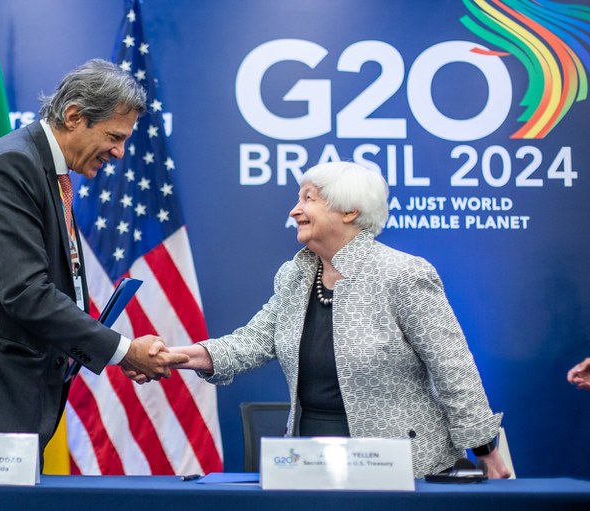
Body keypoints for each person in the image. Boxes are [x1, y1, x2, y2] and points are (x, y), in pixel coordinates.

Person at [0, 59, 188, 455]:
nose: (119, 153)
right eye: (115, 137)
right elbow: (26, 293)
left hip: (3, 393)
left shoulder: (46, 170)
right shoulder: (12, 166)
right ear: (74, 116)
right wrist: (122, 350)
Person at [151, 161, 510, 478]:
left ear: (350, 210)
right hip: (310, 457)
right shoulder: (294, 276)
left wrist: (485, 451)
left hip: (402, 467)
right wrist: (179, 356)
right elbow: (251, 342)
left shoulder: (403, 274)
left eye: (308, 198)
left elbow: (453, 369)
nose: (294, 210)